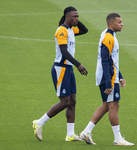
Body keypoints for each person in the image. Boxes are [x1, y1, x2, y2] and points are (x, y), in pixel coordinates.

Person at [32, 6, 88, 142]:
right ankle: (38, 123)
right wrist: (78, 64)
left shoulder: (71, 30)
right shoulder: (62, 31)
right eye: (74, 16)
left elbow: (85, 30)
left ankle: (70, 135)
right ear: (66, 17)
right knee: (64, 102)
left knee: (72, 102)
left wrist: (74, 20)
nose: (76, 19)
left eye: (78, 16)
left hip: (68, 69)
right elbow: (64, 51)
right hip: (61, 68)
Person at [79, 13, 134, 146]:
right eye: (119, 22)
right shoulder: (108, 38)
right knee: (114, 106)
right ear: (111, 24)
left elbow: (111, 60)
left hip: (109, 75)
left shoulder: (108, 34)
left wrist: (120, 76)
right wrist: (110, 83)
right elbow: (105, 61)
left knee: (106, 106)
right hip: (107, 77)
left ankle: (86, 132)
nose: (122, 24)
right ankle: (118, 139)